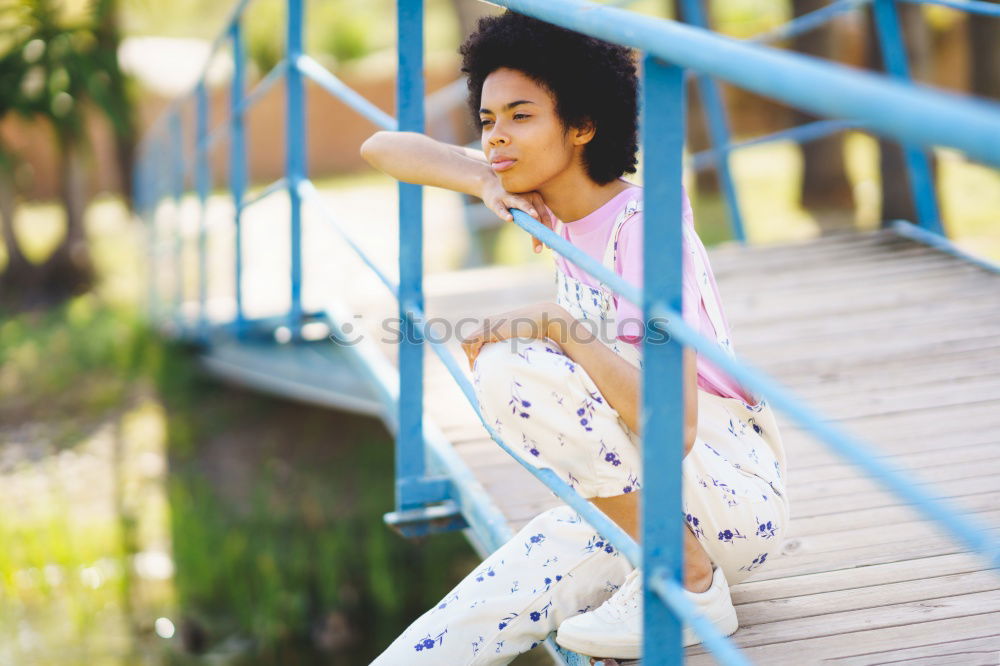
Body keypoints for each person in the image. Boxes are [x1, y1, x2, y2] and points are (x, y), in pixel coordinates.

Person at [361, 10, 789, 664]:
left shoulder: (645, 230)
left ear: (584, 125)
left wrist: (559, 326)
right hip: (638, 501)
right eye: (487, 120)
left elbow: (676, 426)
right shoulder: (554, 207)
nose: (497, 137)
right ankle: (664, 564)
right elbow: (382, 149)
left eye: (520, 116)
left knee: (511, 364)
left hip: (725, 491)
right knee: (455, 630)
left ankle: (689, 579)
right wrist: (481, 176)